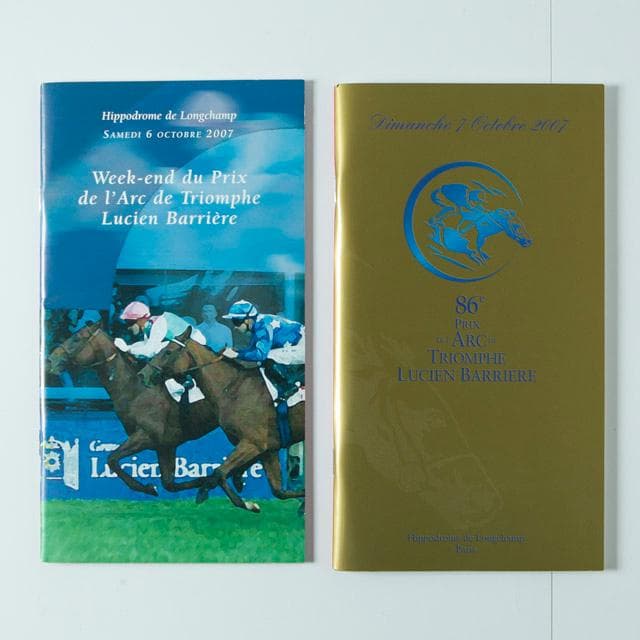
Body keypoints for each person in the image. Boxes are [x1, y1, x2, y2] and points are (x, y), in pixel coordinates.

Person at [222, 299, 304, 400]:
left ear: (248, 320)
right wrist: (237, 352)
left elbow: (260, 354)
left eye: (236, 322)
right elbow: (252, 350)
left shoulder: (263, 326)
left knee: (268, 356)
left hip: (305, 346)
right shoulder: (257, 325)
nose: (235, 327)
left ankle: (288, 388)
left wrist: (237, 355)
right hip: (297, 344)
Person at [114, 301, 206, 359]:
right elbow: (146, 344)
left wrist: (128, 349)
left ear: (142, 318)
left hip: (196, 344)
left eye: (130, 322)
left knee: (159, 351)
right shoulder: (149, 325)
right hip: (183, 345)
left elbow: (150, 350)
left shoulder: (159, 323)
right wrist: (129, 347)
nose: (128, 327)